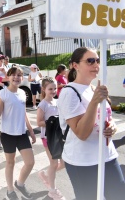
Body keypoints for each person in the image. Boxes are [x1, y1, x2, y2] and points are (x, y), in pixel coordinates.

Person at [57, 47, 124, 200]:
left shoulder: (94, 87)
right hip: (83, 161)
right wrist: (94, 101)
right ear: (75, 65)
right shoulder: (69, 92)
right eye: (90, 61)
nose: (96, 65)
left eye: (97, 60)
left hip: (107, 155)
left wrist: (112, 126)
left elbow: (107, 117)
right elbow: (81, 133)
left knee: (119, 195)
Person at [0, 66, 36, 200]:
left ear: (22, 77)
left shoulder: (22, 93)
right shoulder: (3, 93)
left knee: (30, 162)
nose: (16, 77)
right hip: (7, 134)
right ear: (8, 77)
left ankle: (20, 183)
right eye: (13, 75)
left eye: (19, 75)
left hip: (21, 133)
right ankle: (10, 191)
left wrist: (31, 131)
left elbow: (24, 113)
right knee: (10, 163)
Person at [36, 77, 65, 200]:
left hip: (59, 136)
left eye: (54, 88)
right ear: (43, 89)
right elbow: (39, 122)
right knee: (53, 163)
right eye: (50, 89)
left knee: (64, 163)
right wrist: (51, 123)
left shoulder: (57, 101)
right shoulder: (43, 104)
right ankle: (52, 191)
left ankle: (47, 175)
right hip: (48, 137)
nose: (53, 91)